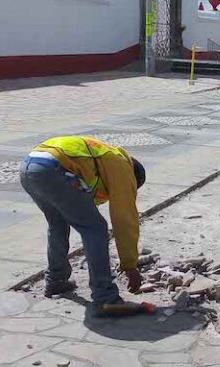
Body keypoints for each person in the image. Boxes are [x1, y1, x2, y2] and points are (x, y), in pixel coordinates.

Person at [19, 136, 146, 317]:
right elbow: (125, 218)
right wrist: (129, 265)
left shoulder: (103, 157)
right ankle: (105, 297)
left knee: (57, 223)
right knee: (96, 229)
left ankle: (56, 280)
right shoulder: (121, 166)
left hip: (29, 167)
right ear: (133, 177)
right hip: (53, 169)